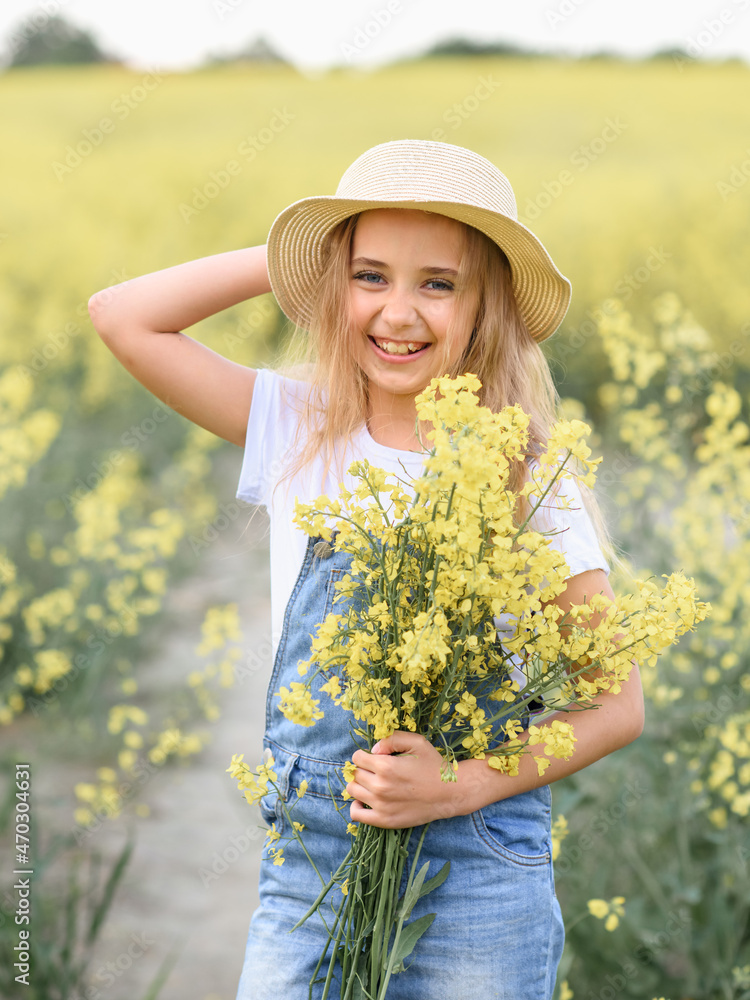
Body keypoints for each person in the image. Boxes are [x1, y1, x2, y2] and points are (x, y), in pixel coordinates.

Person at [89, 139, 645, 999]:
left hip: (481, 864)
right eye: (370, 276)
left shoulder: (528, 474)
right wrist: (297, 264)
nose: (399, 313)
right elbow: (123, 316)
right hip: (311, 861)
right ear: (331, 288)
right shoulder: (298, 427)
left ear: (485, 307)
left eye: (439, 283)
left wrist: (455, 787)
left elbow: (616, 707)